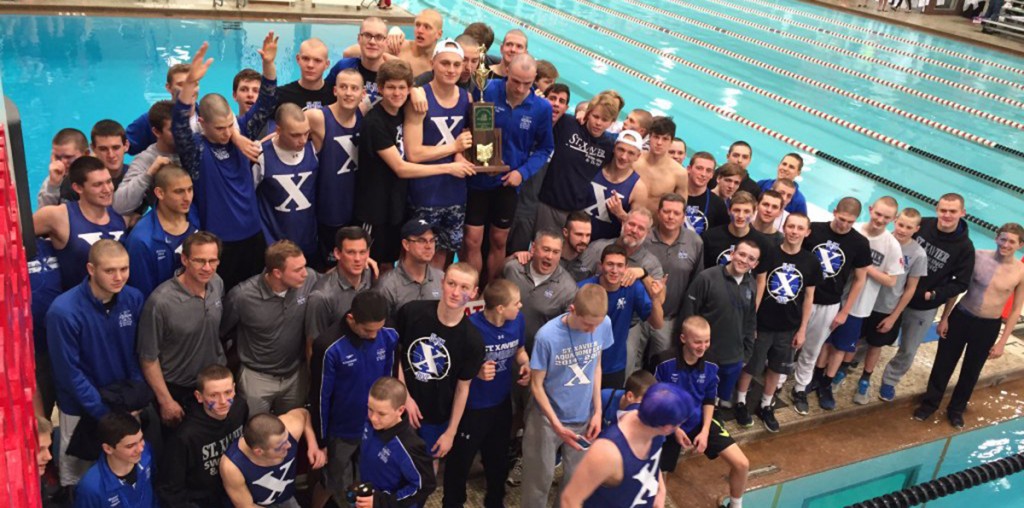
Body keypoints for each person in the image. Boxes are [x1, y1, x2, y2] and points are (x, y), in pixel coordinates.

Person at [173, 36, 278, 290]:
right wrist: (190, 83)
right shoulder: (196, 150)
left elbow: (267, 102)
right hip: (219, 242)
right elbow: (178, 122)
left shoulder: (240, 130)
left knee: (254, 293)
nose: (225, 132)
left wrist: (269, 65)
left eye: (228, 125)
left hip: (253, 235)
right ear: (202, 123)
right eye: (219, 128)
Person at [353, 58, 473, 267]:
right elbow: (401, 168)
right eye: (391, 88)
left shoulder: (399, 112)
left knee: (391, 261)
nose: (397, 93)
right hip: (375, 208)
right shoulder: (375, 122)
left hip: (396, 203)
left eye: (402, 88)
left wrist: (416, 90)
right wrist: (449, 165)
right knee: (370, 264)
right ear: (380, 88)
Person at [46, 240, 144, 488]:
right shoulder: (64, 312)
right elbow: (69, 373)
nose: (118, 277)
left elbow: (136, 354)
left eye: (124, 269)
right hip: (80, 407)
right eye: (110, 270)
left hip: (122, 403)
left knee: (125, 464)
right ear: (91, 269)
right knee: (77, 477)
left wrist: (133, 398)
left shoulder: (133, 299)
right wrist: (105, 413)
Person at [914, 223, 1024, 428]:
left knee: (971, 370)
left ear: (1020, 245)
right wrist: (945, 317)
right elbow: (957, 287)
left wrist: (1002, 341)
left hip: (988, 326)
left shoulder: (1020, 271)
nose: (1006, 244)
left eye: (1011, 241)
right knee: (943, 363)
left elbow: (1017, 308)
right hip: (961, 317)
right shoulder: (978, 256)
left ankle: (956, 409)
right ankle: (929, 404)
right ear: (996, 238)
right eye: (1003, 239)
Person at [520, 285, 614, 507]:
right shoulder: (547, 336)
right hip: (546, 418)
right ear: (573, 310)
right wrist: (556, 424)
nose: (592, 330)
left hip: (583, 415)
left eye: (597, 325)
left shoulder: (603, 324)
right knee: (538, 482)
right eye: (587, 324)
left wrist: (598, 410)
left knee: (576, 481)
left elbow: (596, 366)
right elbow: (536, 385)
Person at [465, 53, 554, 282]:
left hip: (508, 184)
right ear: (507, 74)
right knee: (472, 240)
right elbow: (467, 126)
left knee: (498, 240)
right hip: (478, 179)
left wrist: (521, 173)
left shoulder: (541, 107)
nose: (521, 88)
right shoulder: (487, 90)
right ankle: (472, 288)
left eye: (527, 83)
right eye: (515, 81)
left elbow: (545, 149)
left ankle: (490, 292)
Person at [879, 194, 975, 401]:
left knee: (908, 348)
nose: (947, 215)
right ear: (937, 209)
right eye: (943, 210)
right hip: (894, 294)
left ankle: (889, 381)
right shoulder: (923, 225)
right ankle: (853, 365)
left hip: (924, 305)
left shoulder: (965, 248)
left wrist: (935, 295)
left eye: (952, 211)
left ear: (962, 213)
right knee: (874, 333)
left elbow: (960, 284)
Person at [443, 280, 529, 508]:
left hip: (500, 403)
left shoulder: (517, 320)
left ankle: (494, 502)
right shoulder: (470, 328)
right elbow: (451, 369)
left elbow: (519, 350)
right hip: (472, 407)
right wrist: (476, 371)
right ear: (500, 308)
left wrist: (525, 363)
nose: (520, 306)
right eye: (516, 303)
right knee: (459, 464)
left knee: (498, 461)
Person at [309, 291, 397, 508]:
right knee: (334, 485)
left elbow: (390, 382)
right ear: (351, 320)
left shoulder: (389, 335)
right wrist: (322, 441)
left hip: (375, 429)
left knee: (368, 483)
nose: (375, 335)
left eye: (378, 328)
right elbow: (320, 396)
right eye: (368, 330)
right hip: (342, 432)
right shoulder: (328, 346)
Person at [735, 214, 821, 432]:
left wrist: (802, 329)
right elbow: (760, 285)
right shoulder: (770, 254)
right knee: (751, 366)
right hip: (763, 323)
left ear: (807, 232)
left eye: (799, 228)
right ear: (784, 227)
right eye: (790, 226)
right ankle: (741, 401)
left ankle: (766, 404)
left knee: (777, 367)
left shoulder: (810, 261)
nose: (794, 231)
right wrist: (751, 321)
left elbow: (809, 297)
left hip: (788, 326)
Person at [815, 197, 903, 410]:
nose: (880, 220)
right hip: (832, 296)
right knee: (823, 341)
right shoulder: (855, 232)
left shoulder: (891, 245)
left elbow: (892, 280)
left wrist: (864, 267)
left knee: (840, 346)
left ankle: (827, 383)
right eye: (878, 214)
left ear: (893, 219)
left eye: (886, 217)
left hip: (859, 304)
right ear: (871, 210)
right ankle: (815, 378)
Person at [654, 316, 750, 508]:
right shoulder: (663, 362)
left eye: (706, 341)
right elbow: (656, 403)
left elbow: (708, 399)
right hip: (667, 424)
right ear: (683, 339)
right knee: (658, 477)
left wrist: (705, 431)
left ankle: (736, 505)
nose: (702, 346)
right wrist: (675, 429)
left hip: (698, 421)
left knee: (742, 464)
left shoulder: (712, 363)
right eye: (697, 341)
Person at [395, 263, 485, 462]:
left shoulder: (472, 340)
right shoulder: (412, 313)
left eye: (464, 288)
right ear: (442, 283)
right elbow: (395, 354)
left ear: (474, 293)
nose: (455, 292)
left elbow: (463, 389)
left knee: (428, 466)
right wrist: (404, 396)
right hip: (399, 406)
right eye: (451, 284)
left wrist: (451, 433)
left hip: (437, 414)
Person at [790, 198, 871, 415]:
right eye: (841, 219)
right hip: (800, 298)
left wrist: (845, 311)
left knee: (813, 347)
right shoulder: (813, 231)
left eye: (850, 222)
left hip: (829, 303)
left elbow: (860, 279)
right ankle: (777, 382)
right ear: (834, 212)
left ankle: (800, 388)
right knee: (788, 345)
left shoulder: (859, 243)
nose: (844, 225)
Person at [139, 231, 226, 428]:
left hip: (212, 383)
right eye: (199, 261)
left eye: (213, 261)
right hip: (179, 390)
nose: (207, 268)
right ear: (185, 260)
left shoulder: (217, 283)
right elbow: (148, 358)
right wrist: (166, 401)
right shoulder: (160, 303)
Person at [222, 240, 320, 415]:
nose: (305, 273)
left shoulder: (309, 279)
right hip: (257, 379)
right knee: (255, 432)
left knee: (290, 432)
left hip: (295, 376)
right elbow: (223, 331)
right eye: (298, 270)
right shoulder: (242, 296)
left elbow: (331, 284)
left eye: (304, 266)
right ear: (277, 273)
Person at [561, 383, 697, 508]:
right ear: (667, 428)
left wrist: (661, 490)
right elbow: (569, 500)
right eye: (679, 424)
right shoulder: (607, 452)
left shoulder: (652, 421)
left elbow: (653, 458)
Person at [403, 38, 474, 266]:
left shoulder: (467, 99)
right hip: (425, 192)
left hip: (455, 192)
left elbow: (467, 142)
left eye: (456, 64)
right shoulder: (420, 98)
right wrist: (453, 147)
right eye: (445, 63)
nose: (451, 69)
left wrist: (461, 155)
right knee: (416, 254)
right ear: (433, 63)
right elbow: (413, 153)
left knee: (443, 255)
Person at [854, 207, 927, 404]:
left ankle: (865, 379)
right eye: (901, 224)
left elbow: (910, 289)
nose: (903, 230)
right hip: (863, 300)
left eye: (908, 227)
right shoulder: (881, 239)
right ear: (895, 221)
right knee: (854, 339)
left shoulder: (918, 254)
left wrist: (894, 316)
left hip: (885, 307)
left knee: (875, 345)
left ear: (916, 229)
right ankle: (841, 371)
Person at [157, 365, 249, 508]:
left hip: (236, 488)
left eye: (228, 392)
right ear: (199, 397)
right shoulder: (185, 436)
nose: (223, 401)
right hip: (201, 501)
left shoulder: (240, 408)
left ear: (234, 389)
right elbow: (170, 489)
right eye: (214, 395)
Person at [631, 193, 703, 376]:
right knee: (632, 364)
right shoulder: (643, 239)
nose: (671, 217)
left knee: (662, 365)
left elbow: (696, 283)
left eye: (676, 213)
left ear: (683, 216)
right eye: (667, 211)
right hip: (638, 317)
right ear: (659, 213)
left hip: (669, 318)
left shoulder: (694, 242)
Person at [683, 237, 760, 407]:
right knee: (696, 395)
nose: (744, 260)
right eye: (741, 254)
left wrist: (746, 354)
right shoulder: (707, 278)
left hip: (733, 356)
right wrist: (689, 348)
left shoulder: (752, 285)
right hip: (704, 352)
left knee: (717, 397)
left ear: (755, 264)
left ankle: (713, 419)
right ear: (732, 254)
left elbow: (750, 321)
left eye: (751, 258)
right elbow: (689, 313)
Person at [33, 156, 127, 290]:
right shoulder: (58, 216)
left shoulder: (120, 216)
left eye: (109, 181)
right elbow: (12, 235)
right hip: (77, 305)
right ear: (78, 188)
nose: (107, 189)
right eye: (98, 184)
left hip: (115, 303)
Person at [580, 244, 665, 388]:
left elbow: (657, 324)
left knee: (609, 407)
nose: (614, 270)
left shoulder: (633, 288)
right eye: (610, 264)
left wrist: (655, 300)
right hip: (583, 364)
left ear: (626, 268)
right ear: (601, 266)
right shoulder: (584, 289)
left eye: (620, 265)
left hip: (614, 365)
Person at [305, 68, 367, 265]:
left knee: (357, 260)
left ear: (362, 93)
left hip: (356, 205)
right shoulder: (318, 117)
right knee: (330, 265)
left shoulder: (364, 112)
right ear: (334, 91)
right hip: (329, 207)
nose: (348, 93)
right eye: (343, 87)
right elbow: (286, 124)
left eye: (354, 88)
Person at [534, 90, 618, 236]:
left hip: (577, 212)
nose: (598, 123)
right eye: (595, 116)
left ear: (612, 122)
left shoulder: (610, 145)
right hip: (549, 204)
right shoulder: (568, 124)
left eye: (604, 120)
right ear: (588, 113)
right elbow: (543, 122)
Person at [220, 409, 327, 508]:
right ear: (259, 452)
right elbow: (246, 506)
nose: (289, 445)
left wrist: (313, 445)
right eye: (281, 446)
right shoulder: (232, 466)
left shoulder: (291, 427)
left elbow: (304, 414)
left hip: (286, 498)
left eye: (286, 438)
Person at [356, 377, 437, 508]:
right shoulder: (370, 423)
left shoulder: (410, 445)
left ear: (400, 410)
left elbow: (425, 485)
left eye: (381, 414)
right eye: (370, 409)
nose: (373, 418)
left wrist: (381, 502)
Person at [254, 103, 320, 262]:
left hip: (309, 240)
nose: (302, 140)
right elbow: (248, 198)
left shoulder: (314, 148)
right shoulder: (261, 156)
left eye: (306, 133)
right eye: (295, 135)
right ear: (278, 130)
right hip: (274, 245)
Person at [124, 163, 200, 298]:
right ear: (160, 193)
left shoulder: (196, 217)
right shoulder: (141, 240)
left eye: (190, 189)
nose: (187, 198)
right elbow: (143, 296)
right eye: (179, 191)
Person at [503, 229, 579, 348]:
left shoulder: (568, 289)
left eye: (555, 252)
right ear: (533, 248)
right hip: (503, 349)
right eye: (546, 249)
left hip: (537, 355)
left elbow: (568, 331)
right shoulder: (513, 268)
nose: (549, 256)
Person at [306, 227, 374, 349]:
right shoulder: (321, 297)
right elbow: (313, 344)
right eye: (351, 252)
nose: (358, 259)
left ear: (368, 253)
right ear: (337, 253)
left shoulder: (371, 274)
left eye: (362, 252)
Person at [39, 121, 132, 209]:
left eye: (116, 148)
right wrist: (53, 185)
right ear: (93, 149)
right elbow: (45, 220)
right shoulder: (63, 181)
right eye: (103, 149)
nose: (111, 155)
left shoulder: (134, 175)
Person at [73, 412, 155, 508]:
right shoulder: (91, 487)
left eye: (141, 440)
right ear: (108, 449)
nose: (140, 449)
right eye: (130, 446)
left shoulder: (146, 454)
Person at [114, 101, 181, 216]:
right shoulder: (146, 160)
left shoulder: (197, 146)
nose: (180, 133)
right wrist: (148, 175)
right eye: (172, 130)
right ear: (156, 132)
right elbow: (119, 206)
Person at [700, 192, 771, 297]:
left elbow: (760, 281)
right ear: (729, 211)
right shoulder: (710, 237)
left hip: (742, 303)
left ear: (754, 213)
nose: (740, 216)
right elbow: (701, 274)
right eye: (736, 210)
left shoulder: (762, 243)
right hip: (711, 297)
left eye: (746, 211)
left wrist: (753, 310)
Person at [585, 130, 649, 242]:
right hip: (577, 233)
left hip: (604, 246)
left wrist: (621, 214)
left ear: (638, 156)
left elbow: (635, 230)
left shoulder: (638, 188)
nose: (624, 157)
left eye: (631, 153)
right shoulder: (594, 167)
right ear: (614, 148)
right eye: (621, 150)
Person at [376, 219, 445, 324]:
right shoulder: (387, 285)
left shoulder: (442, 278)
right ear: (406, 244)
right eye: (421, 240)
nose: (429, 246)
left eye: (432, 240)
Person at [344, 9, 444, 77]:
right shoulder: (399, 46)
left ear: (439, 34)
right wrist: (381, 56)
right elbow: (349, 53)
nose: (420, 30)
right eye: (417, 25)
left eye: (427, 27)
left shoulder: (443, 62)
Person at [578, 208, 665, 284]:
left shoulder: (651, 264)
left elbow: (658, 297)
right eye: (631, 224)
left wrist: (644, 274)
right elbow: (578, 281)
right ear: (623, 223)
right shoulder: (596, 248)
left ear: (648, 233)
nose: (634, 230)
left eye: (641, 228)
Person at [126, 63, 190, 155]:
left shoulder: (205, 115)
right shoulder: (151, 119)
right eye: (180, 84)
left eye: (192, 83)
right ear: (168, 87)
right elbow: (118, 145)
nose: (188, 89)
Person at [630, 117, 687, 215]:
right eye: (656, 137)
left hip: (654, 228)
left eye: (665, 139)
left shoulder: (679, 173)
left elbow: (680, 210)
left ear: (671, 142)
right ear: (649, 137)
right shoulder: (634, 161)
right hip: (626, 220)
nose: (659, 143)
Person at [327, 17, 388, 104]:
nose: (372, 42)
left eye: (379, 37)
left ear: (386, 42)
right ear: (359, 39)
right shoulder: (343, 67)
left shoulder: (392, 74)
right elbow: (323, 95)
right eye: (367, 35)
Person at [413, 33, 484, 101]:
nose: (469, 67)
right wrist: (413, 92)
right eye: (464, 60)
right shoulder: (427, 80)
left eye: (474, 61)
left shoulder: (478, 86)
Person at [36, 128, 89, 207]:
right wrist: (53, 186)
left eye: (68, 157)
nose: (62, 163)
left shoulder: (99, 177)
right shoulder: (52, 180)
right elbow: (44, 215)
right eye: (57, 157)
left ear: (86, 154)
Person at [278, 38, 334, 110]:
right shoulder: (282, 95)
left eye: (317, 60)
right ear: (298, 59)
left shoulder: (335, 95)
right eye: (305, 58)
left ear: (327, 64)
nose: (310, 65)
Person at [684, 152, 729, 235]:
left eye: (708, 170)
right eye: (699, 168)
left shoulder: (718, 204)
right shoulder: (674, 193)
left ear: (712, 175)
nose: (703, 174)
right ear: (689, 169)